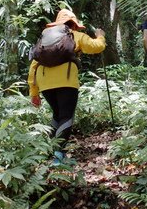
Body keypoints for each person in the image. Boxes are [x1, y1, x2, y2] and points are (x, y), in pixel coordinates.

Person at [28, 9, 106, 163]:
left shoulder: (45, 40)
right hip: (66, 81)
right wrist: (100, 36)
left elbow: (33, 66)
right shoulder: (74, 35)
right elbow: (96, 46)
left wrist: (34, 92)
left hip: (44, 83)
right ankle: (58, 156)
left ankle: (51, 150)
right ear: (74, 25)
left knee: (57, 114)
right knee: (66, 116)